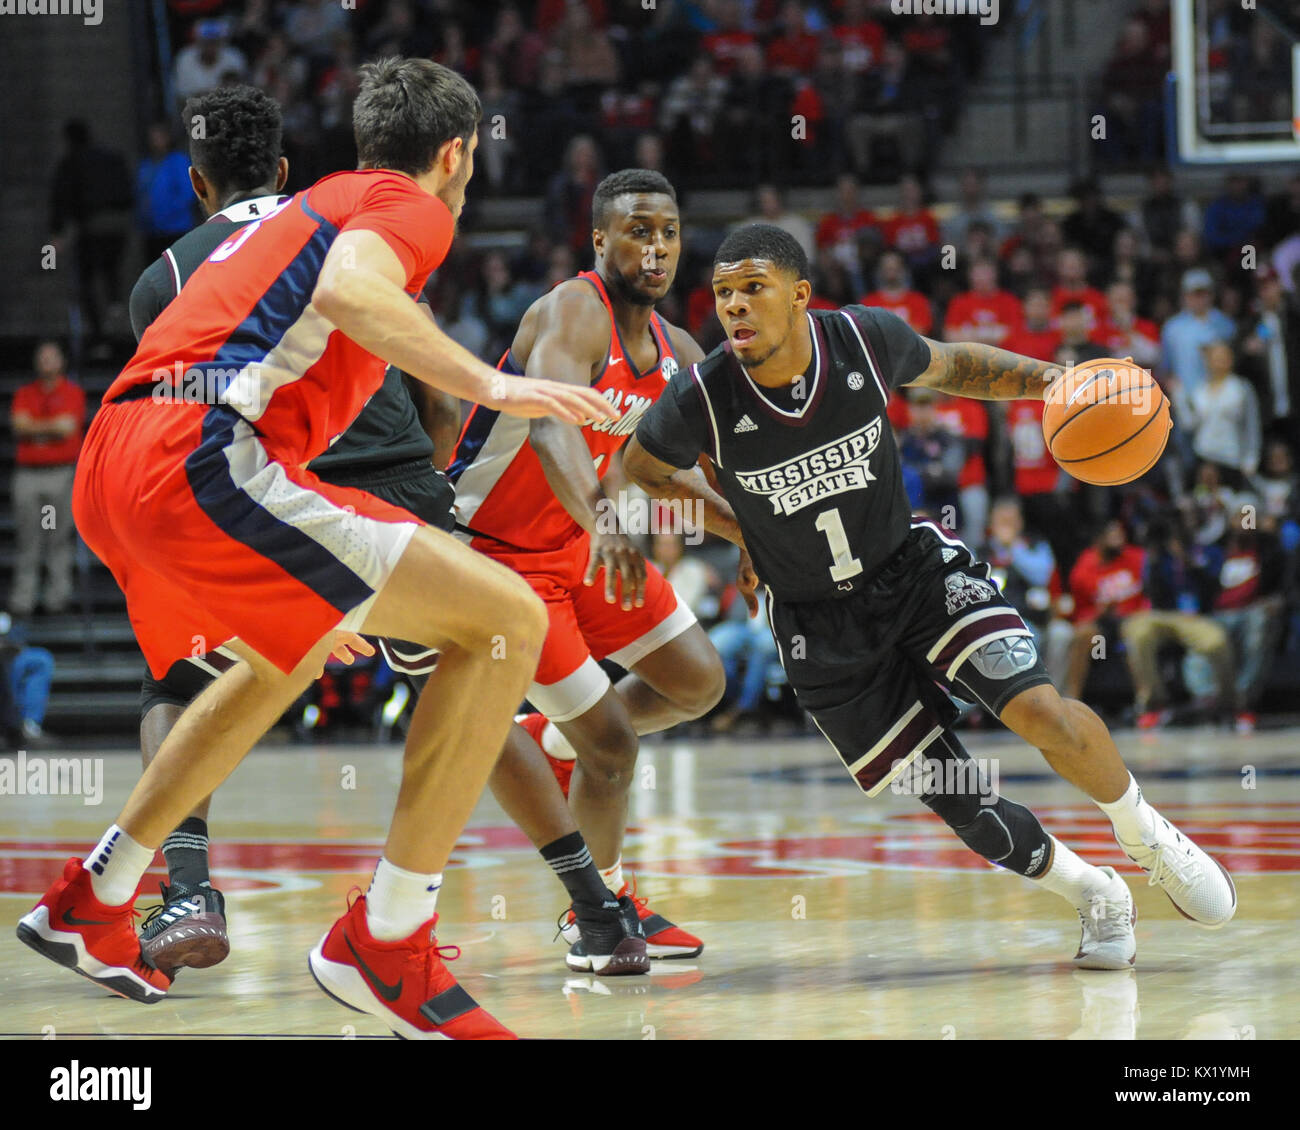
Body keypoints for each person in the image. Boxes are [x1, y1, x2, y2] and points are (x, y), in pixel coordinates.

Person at [17, 59, 616, 1041]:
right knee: (504, 619)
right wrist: (496, 387)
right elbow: (350, 291)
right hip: (205, 461)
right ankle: (386, 941)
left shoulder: (319, 206)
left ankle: (98, 894)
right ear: (456, 153)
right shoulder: (409, 208)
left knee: (280, 655)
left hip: (118, 463)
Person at [624, 224, 1236, 977]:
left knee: (1040, 709)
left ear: (800, 296)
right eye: (722, 293)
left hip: (914, 576)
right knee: (964, 804)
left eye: (753, 287)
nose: (735, 306)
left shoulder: (860, 339)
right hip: (818, 630)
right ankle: (1096, 893)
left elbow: (957, 366)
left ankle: (1144, 834)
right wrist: (737, 530)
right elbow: (643, 470)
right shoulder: (701, 396)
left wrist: (1053, 381)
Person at [450, 168, 725, 967]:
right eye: (638, 230)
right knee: (611, 748)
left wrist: (756, 544)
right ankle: (595, 916)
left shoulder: (678, 351)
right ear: (599, 239)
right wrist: (606, 521)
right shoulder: (574, 310)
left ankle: (544, 739)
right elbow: (548, 431)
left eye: (669, 231)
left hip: (575, 545)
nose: (657, 246)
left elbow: (687, 473)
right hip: (496, 558)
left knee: (697, 681)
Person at [7, 341, 85, 619]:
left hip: (59, 476)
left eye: (52, 357)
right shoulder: (25, 394)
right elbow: (20, 425)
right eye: (42, 357)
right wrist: (52, 427)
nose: (47, 362)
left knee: (57, 536)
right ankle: (23, 600)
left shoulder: (72, 393)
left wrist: (35, 429)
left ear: (61, 361)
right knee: (29, 538)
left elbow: (68, 428)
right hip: (29, 478)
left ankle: (56, 597)